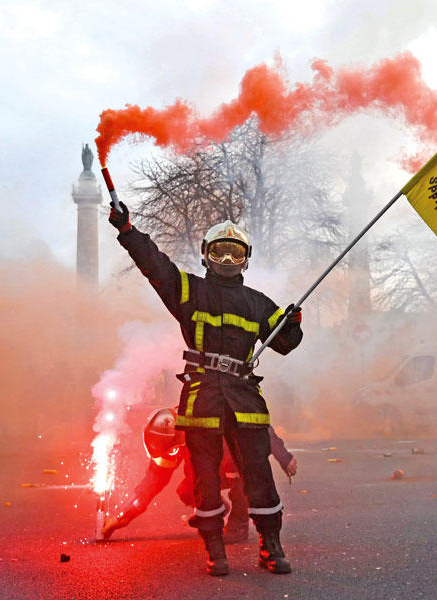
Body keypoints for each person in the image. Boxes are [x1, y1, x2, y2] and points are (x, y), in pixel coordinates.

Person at [109, 206, 303, 576]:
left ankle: (271, 546)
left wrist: (292, 323)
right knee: (204, 476)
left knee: (258, 474)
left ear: (246, 261)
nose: (228, 258)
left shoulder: (260, 303)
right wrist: (129, 231)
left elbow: (285, 344)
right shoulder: (188, 290)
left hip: (244, 396)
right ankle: (215, 549)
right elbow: (156, 266)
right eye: (219, 251)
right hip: (202, 393)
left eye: (236, 252)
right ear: (205, 254)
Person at [101, 407, 297, 544]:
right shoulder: (171, 433)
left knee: (237, 466)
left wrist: (284, 457)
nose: (169, 457)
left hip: (234, 458)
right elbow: (153, 482)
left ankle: (239, 526)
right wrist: (123, 516)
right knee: (187, 490)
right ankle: (217, 509)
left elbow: (261, 429)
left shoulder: (208, 416)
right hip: (210, 467)